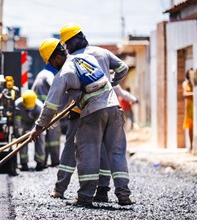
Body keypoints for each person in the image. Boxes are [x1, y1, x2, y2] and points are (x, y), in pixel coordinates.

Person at [32, 24, 132, 208]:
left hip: (93, 113)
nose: (53, 66)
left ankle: (85, 196)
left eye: (51, 62)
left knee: (87, 154)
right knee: (116, 152)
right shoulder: (87, 58)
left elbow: (50, 105)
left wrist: (38, 128)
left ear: (56, 57)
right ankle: (124, 195)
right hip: (114, 108)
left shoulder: (63, 73)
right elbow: (106, 79)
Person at [50, 84, 138, 201]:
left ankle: (63, 189)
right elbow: (121, 73)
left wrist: (52, 115)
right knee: (104, 151)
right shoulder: (106, 74)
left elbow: (64, 95)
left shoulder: (75, 69)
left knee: (75, 150)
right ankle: (103, 190)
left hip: (83, 112)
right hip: (107, 111)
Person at [31, 52, 61, 168]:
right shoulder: (48, 75)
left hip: (40, 112)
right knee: (53, 138)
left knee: (42, 138)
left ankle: (42, 162)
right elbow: (55, 85)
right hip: (50, 112)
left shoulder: (40, 75)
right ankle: (55, 161)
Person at [14, 90, 45, 171]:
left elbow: (39, 122)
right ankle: (24, 163)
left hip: (35, 125)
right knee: (22, 141)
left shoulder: (40, 107)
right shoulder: (18, 104)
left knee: (40, 139)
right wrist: (19, 130)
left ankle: (40, 162)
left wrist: (33, 132)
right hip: (23, 124)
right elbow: (17, 120)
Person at [182, 69, 194, 150]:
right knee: (190, 126)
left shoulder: (194, 83)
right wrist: (194, 93)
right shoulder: (186, 84)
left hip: (194, 105)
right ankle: (191, 145)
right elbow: (185, 94)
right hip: (189, 106)